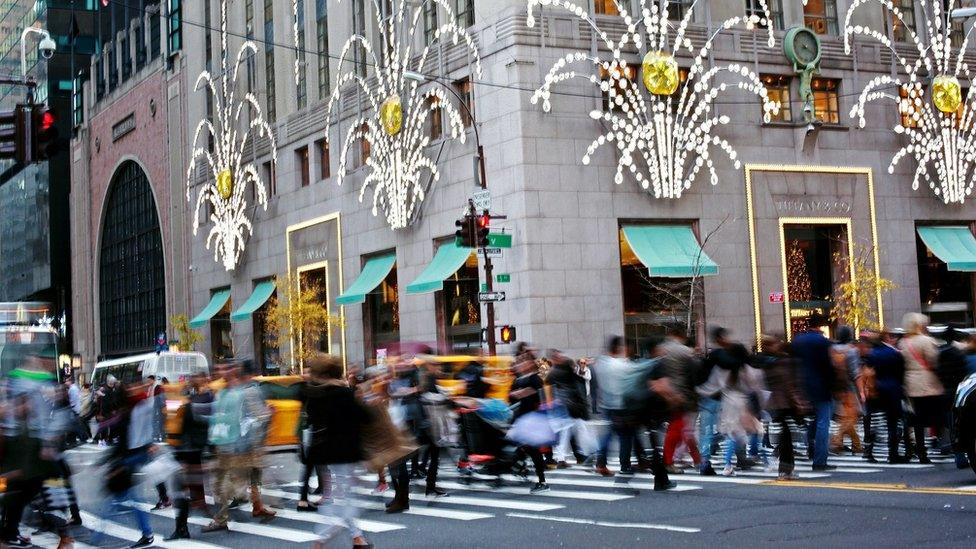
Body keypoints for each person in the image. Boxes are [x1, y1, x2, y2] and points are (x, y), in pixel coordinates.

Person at [302, 355, 372, 549]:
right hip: (344, 452)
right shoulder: (343, 393)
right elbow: (365, 417)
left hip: (323, 453)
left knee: (334, 494)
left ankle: (357, 538)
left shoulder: (313, 394)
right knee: (346, 497)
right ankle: (321, 540)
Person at [203, 361, 276, 533]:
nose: (221, 371)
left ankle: (225, 517)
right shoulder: (222, 393)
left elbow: (257, 417)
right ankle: (252, 507)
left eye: (226, 368)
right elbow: (218, 417)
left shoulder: (245, 392)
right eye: (220, 368)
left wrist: (266, 416)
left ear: (235, 370)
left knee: (230, 483)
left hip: (239, 446)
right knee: (222, 483)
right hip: (224, 444)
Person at [697, 328, 763, 476]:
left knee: (719, 431)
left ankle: (707, 462)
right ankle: (733, 459)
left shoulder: (716, 356)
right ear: (721, 338)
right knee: (729, 430)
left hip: (717, 398)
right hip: (723, 398)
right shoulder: (724, 357)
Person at [165, 372, 214, 540]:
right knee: (181, 492)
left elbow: (181, 431)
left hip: (185, 454)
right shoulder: (182, 404)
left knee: (179, 493)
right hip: (186, 453)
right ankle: (182, 526)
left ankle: (182, 528)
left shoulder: (180, 405)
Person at [755, 334, 807, 480]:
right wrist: (798, 402)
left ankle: (785, 469)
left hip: (774, 404)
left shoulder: (764, 361)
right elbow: (789, 386)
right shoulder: (782, 362)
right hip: (784, 404)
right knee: (786, 438)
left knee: (785, 437)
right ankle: (785, 470)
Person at [899, 313, 943, 464]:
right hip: (927, 383)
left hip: (910, 383)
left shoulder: (903, 343)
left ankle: (918, 450)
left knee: (915, 420)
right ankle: (938, 443)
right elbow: (934, 360)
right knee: (932, 417)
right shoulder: (926, 341)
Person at [657, 327, 703, 474]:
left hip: (669, 394)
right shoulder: (682, 350)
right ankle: (669, 461)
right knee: (679, 429)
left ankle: (696, 459)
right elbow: (696, 364)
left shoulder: (662, 349)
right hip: (682, 395)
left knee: (682, 429)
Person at [791, 326, 836, 471]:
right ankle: (819, 460)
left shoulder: (797, 341)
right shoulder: (823, 342)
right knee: (823, 422)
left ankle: (810, 448)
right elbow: (828, 366)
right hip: (821, 386)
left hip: (803, 386)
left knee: (813, 421)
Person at [508, 352, 550, 493]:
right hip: (521, 419)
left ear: (531, 364)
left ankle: (542, 481)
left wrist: (522, 393)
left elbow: (541, 396)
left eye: (524, 362)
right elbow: (511, 396)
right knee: (522, 445)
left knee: (532, 449)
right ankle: (523, 466)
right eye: (520, 362)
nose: (521, 365)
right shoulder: (519, 379)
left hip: (532, 419)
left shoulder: (535, 379)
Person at [593, 336, 635, 477]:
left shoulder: (600, 364)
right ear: (618, 348)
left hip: (607, 404)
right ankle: (624, 465)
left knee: (610, 434)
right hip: (621, 405)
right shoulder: (620, 364)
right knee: (625, 436)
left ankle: (601, 462)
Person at [547, 350, 594, 468]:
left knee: (568, 432)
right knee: (578, 429)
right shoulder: (560, 372)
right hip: (568, 406)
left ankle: (564, 458)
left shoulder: (556, 372)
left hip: (565, 406)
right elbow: (574, 387)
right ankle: (591, 452)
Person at [830, 326, 863, 454]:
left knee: (845, 417)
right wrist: (861, 391)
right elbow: (855, 373)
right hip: (848, 387)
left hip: (836, 387)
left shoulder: (832, 349)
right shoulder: (852, 350)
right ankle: (836, 441)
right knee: (851, 418)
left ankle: (856, 445)